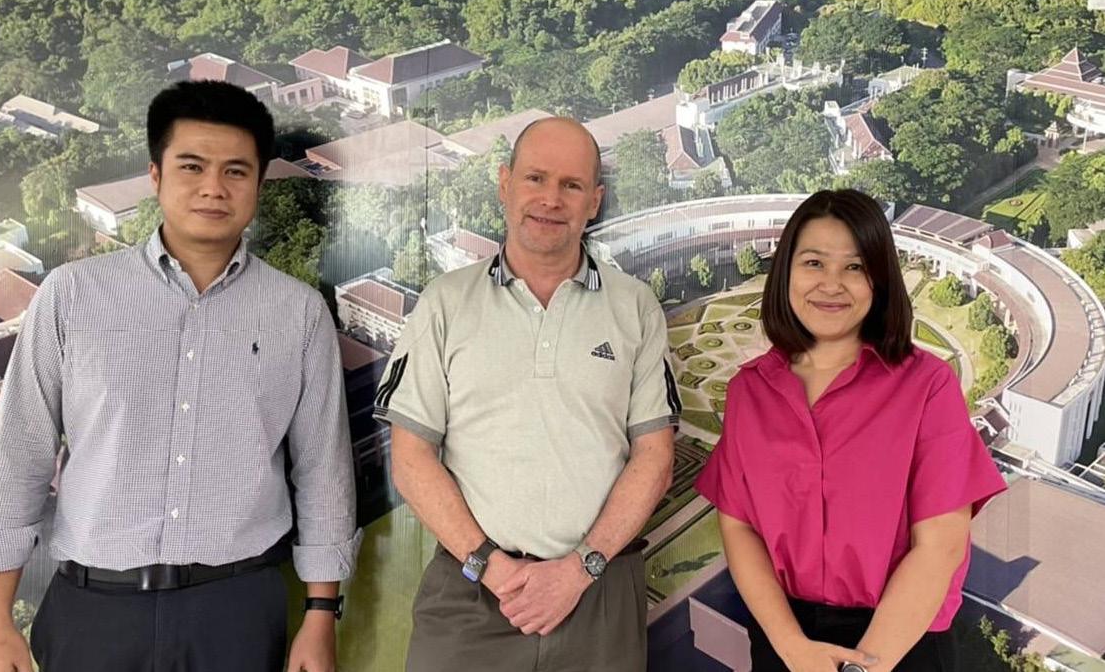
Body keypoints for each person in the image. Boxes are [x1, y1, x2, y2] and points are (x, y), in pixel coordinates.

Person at [0, 80, 361, 672]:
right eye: (191, 166)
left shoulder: (298, 313)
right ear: (156, 174)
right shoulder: (74, 296)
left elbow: (324, 471)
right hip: (93, 611)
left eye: (236, 171)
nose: (213, 188)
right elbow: (17, 459)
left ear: (258, 183)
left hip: (238, 611)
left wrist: (321, 615)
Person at [376, 117, 680, 672]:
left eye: (572, 185)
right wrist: (492, 567)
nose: (550, 199)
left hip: (598, 592)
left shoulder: (635, 307)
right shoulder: (445, 303)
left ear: (595, 201)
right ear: (505, 183)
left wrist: (579, 569)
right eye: (535, 178)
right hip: (472, 589)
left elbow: (655, 459)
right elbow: (412, 458)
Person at [695, 189, 1006, 672]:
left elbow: (939, 548)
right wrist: (790, 646)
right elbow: (739, 526)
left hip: (901, 642)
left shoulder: (927, 386)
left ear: (879, 278)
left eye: (855, 266)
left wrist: (861, 668)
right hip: (786, 641)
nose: (831, 284)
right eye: (813, 263)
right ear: (786, 272)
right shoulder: (749, 391)